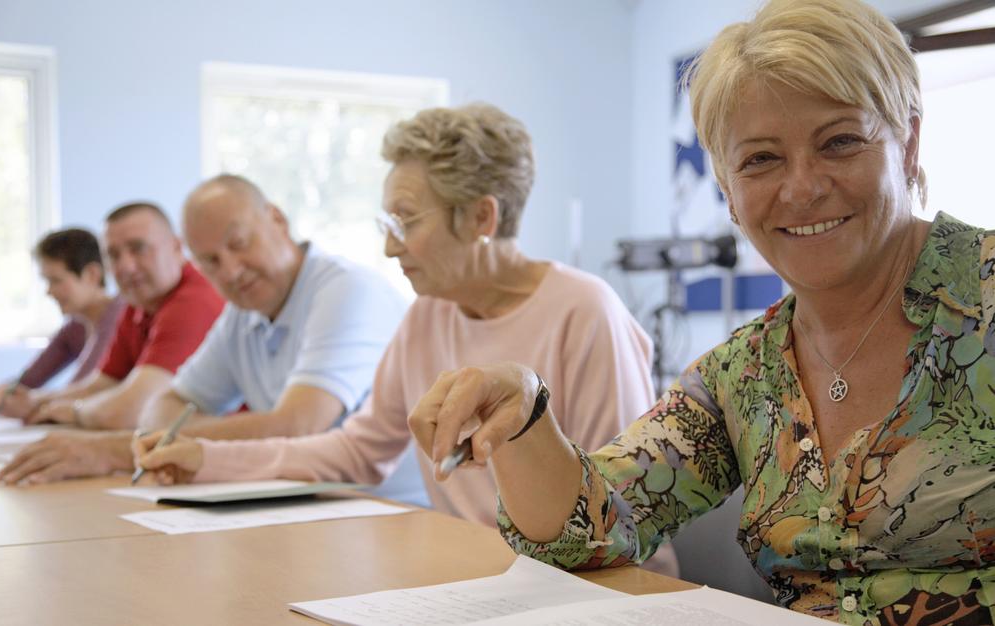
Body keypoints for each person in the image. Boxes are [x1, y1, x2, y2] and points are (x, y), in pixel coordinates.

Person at [405, 2, 995, 624]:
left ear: (908, 141)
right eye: (761, 159)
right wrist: (526, 413)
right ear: (727, 189)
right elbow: (592, 528)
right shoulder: (742, 374)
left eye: (840, 142)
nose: (801, 187)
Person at [133, 104, 679, 577]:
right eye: (386, 223)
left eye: (406, 222)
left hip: (590, 587)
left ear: (482, 217)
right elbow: (357, 450)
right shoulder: (427, 315)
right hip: (476, 572)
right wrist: (205, 458)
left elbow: (623, 509)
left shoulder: (586, 312)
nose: (392, 249)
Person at [0, 176, 405, 484]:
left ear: (277, 219)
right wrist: (164, 442)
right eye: (209, 261)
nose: (229, 270)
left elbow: (298, 424)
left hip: (387, 513)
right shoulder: (242, 313)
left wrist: (131, 449)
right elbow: (166, 405)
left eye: (239, 243)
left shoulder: (347, 289)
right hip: (306, 504)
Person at [0, 228, 124, 414]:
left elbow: (82, 391)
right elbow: (24, 386)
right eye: (46, 281)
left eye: (56, 280)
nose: (48, 291)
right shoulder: (75, 328)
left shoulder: (121, 318)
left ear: (92, 274)